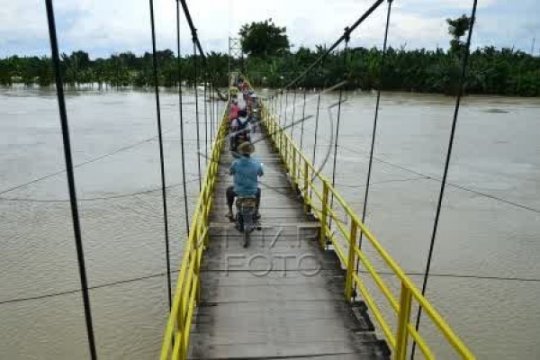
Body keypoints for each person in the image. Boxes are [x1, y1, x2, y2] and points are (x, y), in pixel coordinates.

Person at [226, 141, 263, 220]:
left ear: (241, 152)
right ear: (250, 152)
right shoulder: (256, 163)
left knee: (229, 190)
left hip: (238, 191)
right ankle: (257, 211)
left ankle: (230, 211)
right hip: (252, 191)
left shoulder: (235, 163)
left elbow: (231, 172)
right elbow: (261, 174)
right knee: (259, 190)